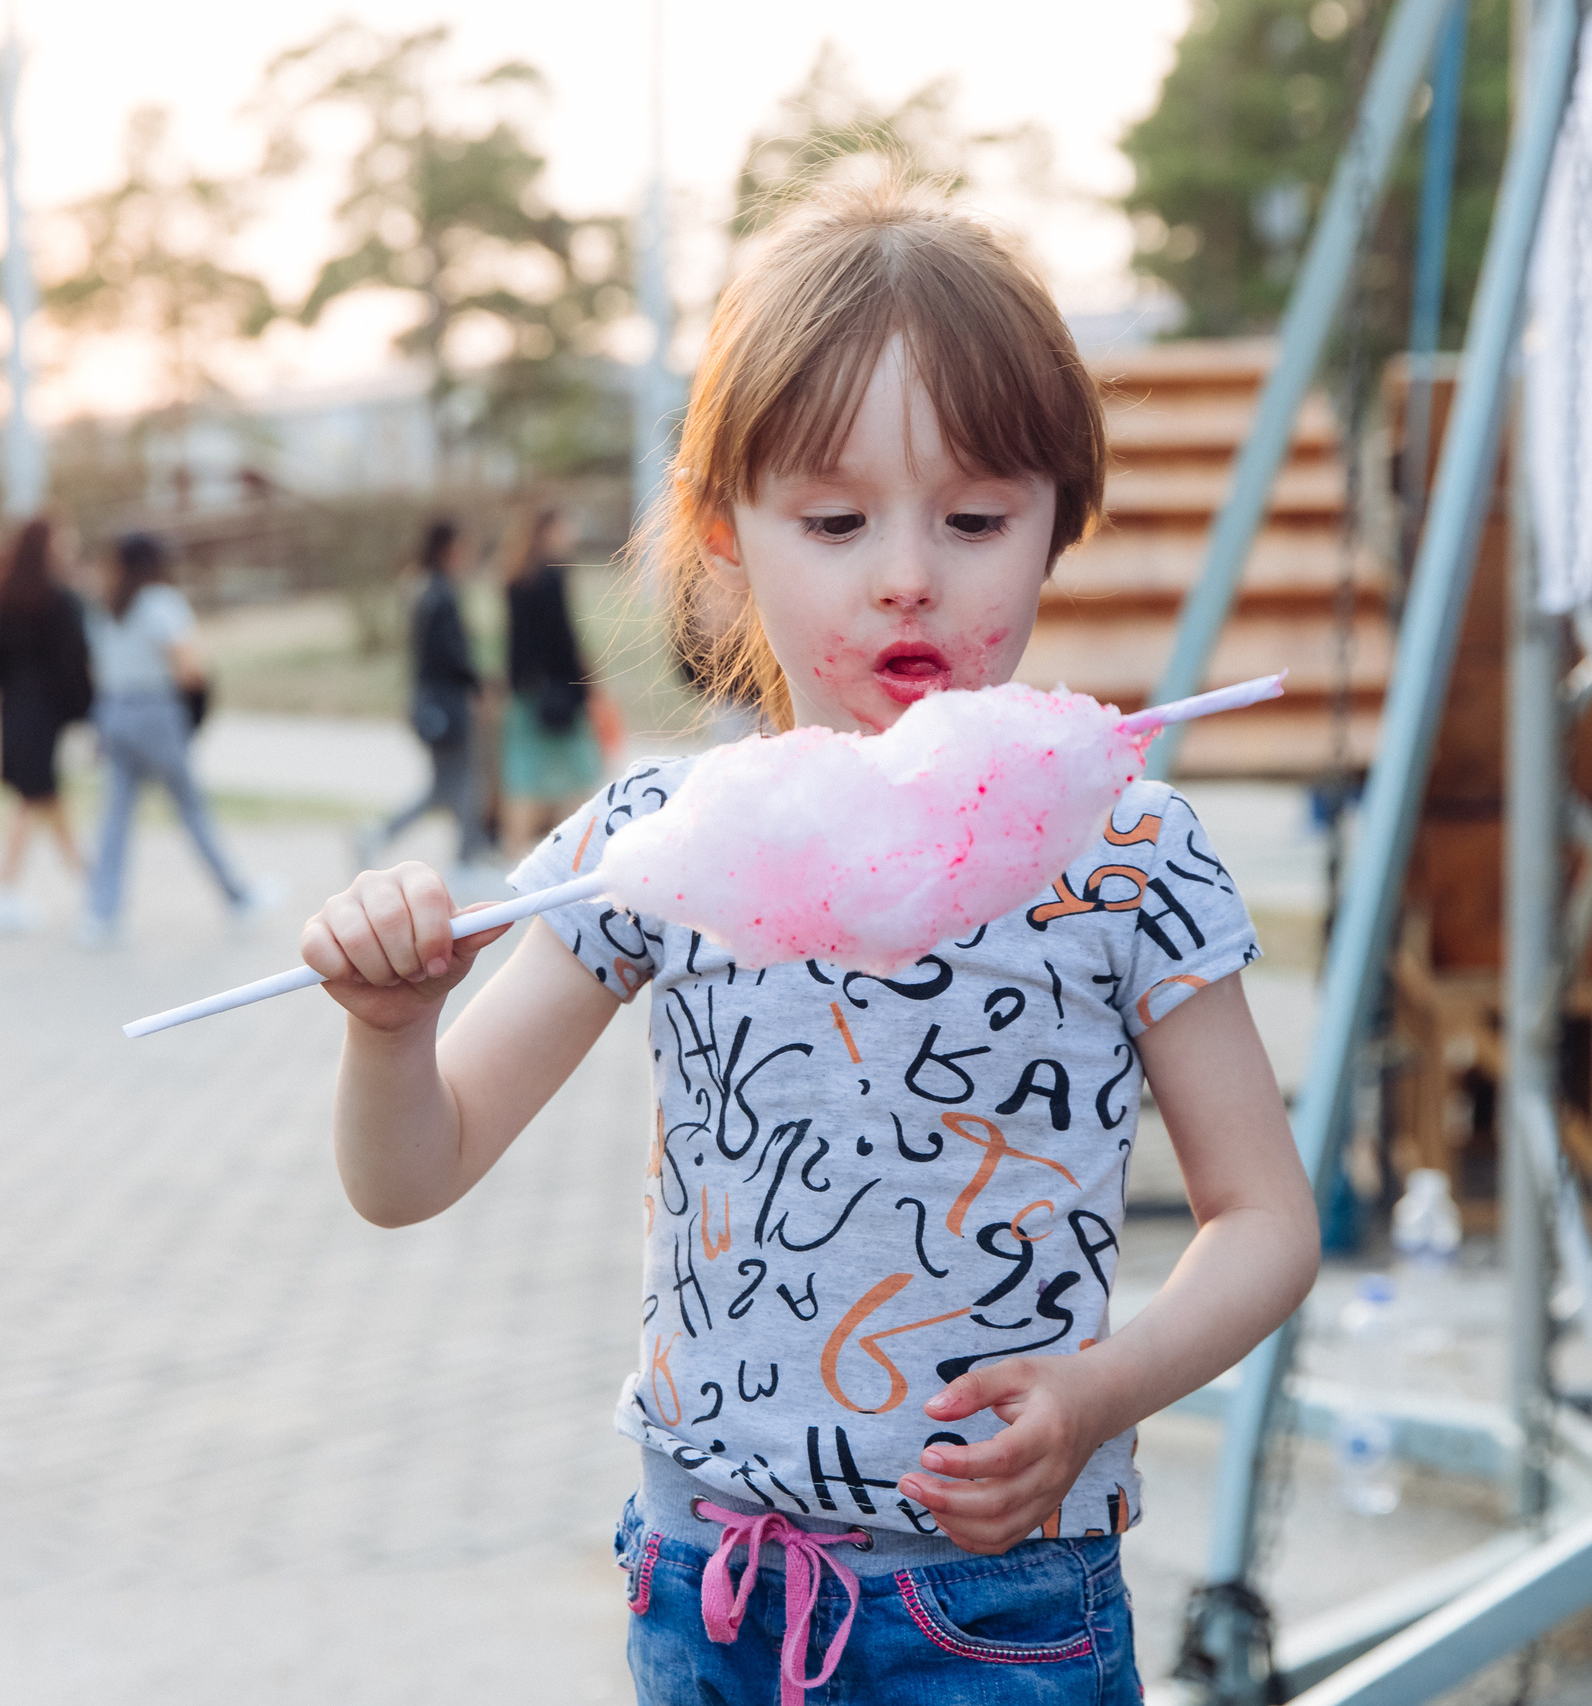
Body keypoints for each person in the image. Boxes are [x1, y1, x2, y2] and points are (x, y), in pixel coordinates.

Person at [298, 183, 1319, 1705]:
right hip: (708, 1587)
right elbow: (411, 1173)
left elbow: (1267, 1224)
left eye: (975, 518)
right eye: (835, 521)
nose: (907, 571)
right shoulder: (657, 846)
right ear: (728, 531)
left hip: (1000, 1602)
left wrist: (1102, 1389)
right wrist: (386, 1030)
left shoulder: (1125, 848)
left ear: (1060, 519)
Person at [76, 531, 274, 948]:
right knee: (191, 808)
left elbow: (97, 668)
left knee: (114, 818)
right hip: (156, 713)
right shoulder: (161, 603)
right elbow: (189, 669)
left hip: (113, 711)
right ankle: (236, 894)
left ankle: (100, 912)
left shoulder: (107, 608)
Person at [0, 517, 93, 935]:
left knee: (48, 798)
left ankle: (91, 884)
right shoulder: (59, 600)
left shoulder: (5, 594)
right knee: (32, 798)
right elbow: (76, 662)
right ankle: (3, 892)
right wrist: (86, 710)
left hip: (15, 709)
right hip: (42, 713)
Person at [355, 518, 491, 870]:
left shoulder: (424, 589)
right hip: (445, 704)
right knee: (462, 781)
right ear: (449, 548)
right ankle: (464, 858)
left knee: (445, 787)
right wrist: (479, 683)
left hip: (430, 701)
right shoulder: (440, 595)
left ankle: (377, 835)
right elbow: (450, 654)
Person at [498, 506, 601, 855]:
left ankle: (515, 850)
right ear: (549, 530)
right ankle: (579, 852)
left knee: (525, 776)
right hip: (559, 691)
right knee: (580, 772)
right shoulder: (552, 575)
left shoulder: (514, 575)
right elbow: (564, 639)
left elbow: (511, 642)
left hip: (526, 692)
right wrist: (586, 684)